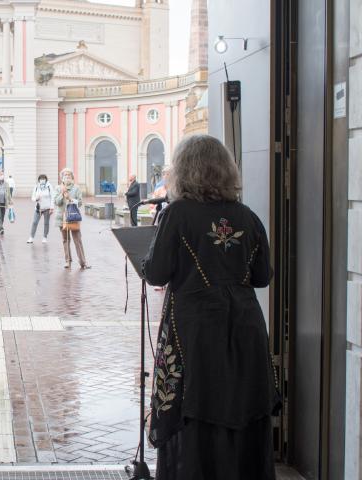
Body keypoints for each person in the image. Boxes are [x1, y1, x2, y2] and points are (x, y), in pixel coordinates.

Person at [142, 135, 277, 479]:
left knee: (196, 413)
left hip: (195, 332)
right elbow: (262, 277)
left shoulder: (178, 214)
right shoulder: (247, 216)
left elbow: (156, 271)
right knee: (240, 409)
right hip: (245, 330)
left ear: (185, 171)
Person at [54, 168, 89, 269]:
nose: (67, 177)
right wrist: (62, 194)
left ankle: (83, 262)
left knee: (77, 239)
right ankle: (67, 261)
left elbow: (80, 202)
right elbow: (56, 202)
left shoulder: (76, 188)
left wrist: (70, 199)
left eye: (69, 175)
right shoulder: (58, 188)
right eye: (65, 175)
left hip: (73, 217)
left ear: (72, 177)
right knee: (65, 240)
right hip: (62, 218)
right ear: (62, 177)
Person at [28, 174, 53, 244]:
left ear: (46, 179)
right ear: (39, 180)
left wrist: (52, 207)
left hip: (47, 208)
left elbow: (52, 197)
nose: (42, 180)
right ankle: (31, 237)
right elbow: (32, 197)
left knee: (46, 223)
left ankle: (45, 237)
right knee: (34, 222)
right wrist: (36, 198)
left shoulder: (49, 186)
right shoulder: (36, 187)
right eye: (41, 179)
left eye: (43, 178)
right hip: (38, 208)